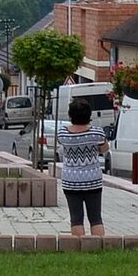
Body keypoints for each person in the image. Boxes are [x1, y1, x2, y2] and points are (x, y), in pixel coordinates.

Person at [57, 96, 108, 235]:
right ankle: (98, 245)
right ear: (89, 114)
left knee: (76, 219)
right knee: (96, 218)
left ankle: (79, 244)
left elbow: (62, 145)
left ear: (71, 115)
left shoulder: (63, 133)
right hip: (92, 179)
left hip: (70, 180)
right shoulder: (97, 132)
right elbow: (104, 149)